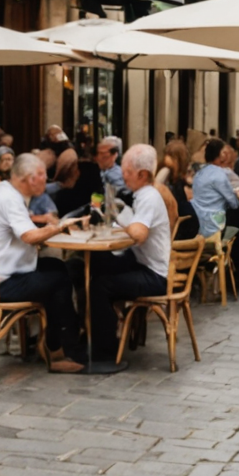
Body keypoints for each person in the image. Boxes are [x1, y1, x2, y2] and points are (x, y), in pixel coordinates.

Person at [0, 153, 86, 373]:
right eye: (41, 175)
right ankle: (56, 349)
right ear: (27, 178)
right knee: (59, 281)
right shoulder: (10, 198)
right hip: (1, 283)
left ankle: (57, 338)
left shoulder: (5, 191)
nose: (46, 179)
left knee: (57, 267)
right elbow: (29, 236)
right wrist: (60, 227)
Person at [86, 145, 173, 362]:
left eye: (127, 172)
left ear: (142, 175)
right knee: (93, 265)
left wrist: (117, 215)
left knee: (99, 286)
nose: (123, 176)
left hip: (154, 274)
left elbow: (139, 234)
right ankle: (90, 334)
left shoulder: (148, 197)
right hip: (142, 262)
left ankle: (106, 351)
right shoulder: (143, 195)